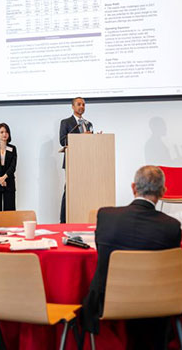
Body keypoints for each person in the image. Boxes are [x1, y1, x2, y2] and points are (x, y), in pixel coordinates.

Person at [82, 165, 181, 349]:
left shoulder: (105, 216)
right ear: (163, 192)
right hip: (158, 305)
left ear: (133, 188)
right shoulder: (172, 227)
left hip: (108, 303)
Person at [59, 97, 93, 223]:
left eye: (83, 104)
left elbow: (90, 143)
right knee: (69, 190)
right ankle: (63, 220)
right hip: (72, 161)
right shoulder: (66, 122)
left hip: (86, 161)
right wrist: (81, 137)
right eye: (79, 104)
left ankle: (80, 217)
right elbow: (63, 140)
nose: (82, 107)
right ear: (73, 107)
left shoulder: (89, 124)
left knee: (84, 190)